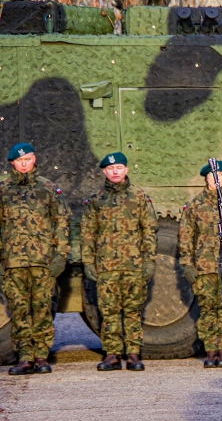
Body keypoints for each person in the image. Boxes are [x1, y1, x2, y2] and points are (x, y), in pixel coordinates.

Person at [82, 152, 157, 372]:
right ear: (104, 171)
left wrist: (149, 261)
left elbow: (149, 231)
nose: (115, 171)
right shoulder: (96, 199)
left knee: (133, 311)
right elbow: (88, 233)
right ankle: (112, 354)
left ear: (126, 170)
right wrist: (88, 262)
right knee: (109, 312)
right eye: (111, 168)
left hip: (134, 264)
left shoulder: (140, 197)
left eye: (119, 167)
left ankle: (133, 354)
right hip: (106, 267)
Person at [0, 142, 71, 375]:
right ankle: (25, 357)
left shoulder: (48, 188)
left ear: (34, 159)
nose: (23, 164)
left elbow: (61, 223)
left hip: (43, 261)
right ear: (12, 163)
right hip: (13, 262)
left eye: (27, 159)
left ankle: (41, 356)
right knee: (19, 310)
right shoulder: (3, 190)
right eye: (19, 161)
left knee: (42, 308)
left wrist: (61, 256)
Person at [179, 160, 222, 368]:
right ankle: (211, 350)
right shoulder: (195, 206)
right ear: (206, 178)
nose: (217, 178)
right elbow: (185, 237)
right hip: (205, 266)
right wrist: (187, 265)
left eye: (221, 174)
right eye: (213, 175)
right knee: (208, 310)